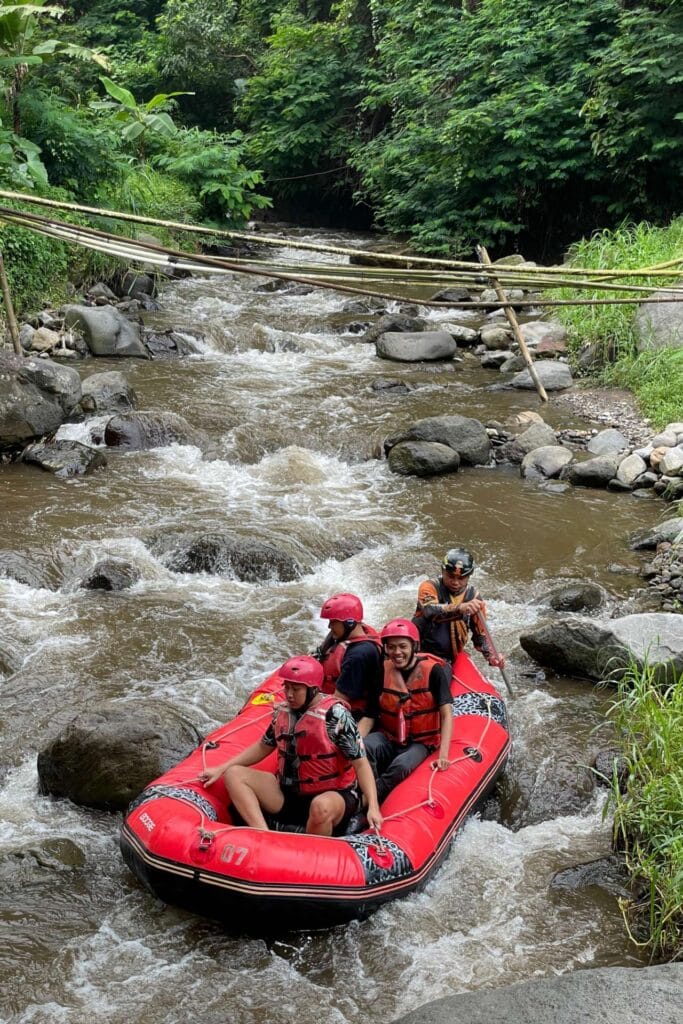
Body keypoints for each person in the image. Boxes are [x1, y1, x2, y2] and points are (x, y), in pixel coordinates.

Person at [200, 655, 382, 836]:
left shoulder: (336, 716)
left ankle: (310, 850)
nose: (289, 694)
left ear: (312, 690)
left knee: (320, 807)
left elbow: (360, 763)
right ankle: (263, 835)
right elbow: (264, 746)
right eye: (287, 688)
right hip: (289, 793)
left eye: (296, 689)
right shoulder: (283, 712)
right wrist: (222, 768)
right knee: (234, 774)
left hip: (334, 795)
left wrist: (373, 806)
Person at [364, 619, 453, 804]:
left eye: (403, 646)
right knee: (365, 747)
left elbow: (446, 714)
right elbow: (370, 716)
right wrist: (353, 743)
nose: (397, 652)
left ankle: (368, 801)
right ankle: (364, 790)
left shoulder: (434, 672)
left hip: (421, 743)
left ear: (414, 646)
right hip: (389, 737)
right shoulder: (382, 670)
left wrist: (443, 755)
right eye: (391, 647)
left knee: (401, 765)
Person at [412, 548, 505, 669]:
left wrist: (491, 655)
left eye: (461, 578)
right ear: (442, 571)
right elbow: (429, 610)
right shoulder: (429, 587)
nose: (455, 582)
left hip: (448, 657)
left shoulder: (474, 597)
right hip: (419, 650)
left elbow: (480, 635)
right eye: (450, 576)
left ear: (468, 577)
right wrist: (460, 608)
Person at [316, 592, 383, 735]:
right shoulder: (349, 634)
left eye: (333, 622)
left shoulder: (359, 655)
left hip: (356, 716)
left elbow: (337, 702)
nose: (329, 626)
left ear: (350, 623)